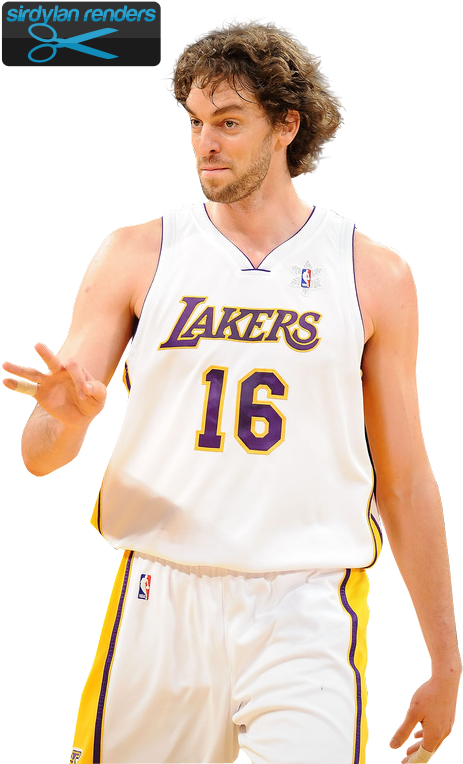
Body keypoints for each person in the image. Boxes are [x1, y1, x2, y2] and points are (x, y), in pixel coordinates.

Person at [2, 18, 460, 764]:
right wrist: (69, 419)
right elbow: (40, 457)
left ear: (287, 125)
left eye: (228, 122)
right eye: (194, 122)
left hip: (306, 602)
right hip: (161, 593)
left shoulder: (372, 272)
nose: (204, 143)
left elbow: (404, 479)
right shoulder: (138, 252)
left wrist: (445, 660)